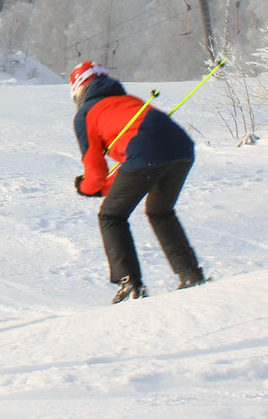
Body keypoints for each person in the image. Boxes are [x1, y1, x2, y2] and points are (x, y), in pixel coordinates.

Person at [69, 61, 206, 303]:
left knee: (111, 216)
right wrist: (104, 187)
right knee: (160, 211)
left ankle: (130, 283)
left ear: (78, 89)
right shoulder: (130, 100)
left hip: (147, 155)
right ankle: (191, 275)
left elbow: (95, 170)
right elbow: (130, 172)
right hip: (182, 148)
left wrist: (86, 187)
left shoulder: (86, 114)